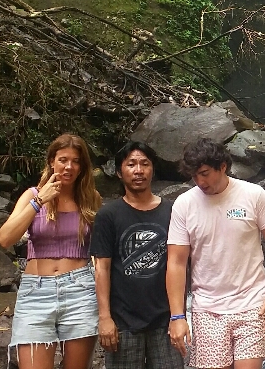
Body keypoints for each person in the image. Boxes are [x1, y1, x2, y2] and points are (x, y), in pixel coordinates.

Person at [166, 138, 265, 369]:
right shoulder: (184, 204)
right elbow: (176, 262)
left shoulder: (253, 195)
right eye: (194, 176)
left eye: (204, 173)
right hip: (207, 309)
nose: (200, 182)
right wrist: (177, 316)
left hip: (253, 304)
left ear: (222, 166)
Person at [0, 134, 101, 369]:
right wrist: (39, 202)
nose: (69, 167)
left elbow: (101, 249)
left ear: (82, 166)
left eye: (76, 161)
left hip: (81, 291)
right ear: (51, 162)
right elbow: (5, 238)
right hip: (36, 290)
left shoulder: (90, 199)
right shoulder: (32, 195)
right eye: (63, 159)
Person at [90, 141, 183, 369]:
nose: (138, 170)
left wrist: (179, 316)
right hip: (123, 321)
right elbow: (101, 268)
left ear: (153, 169)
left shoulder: (173, 212)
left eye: (144, 164)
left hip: (165, 320)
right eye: (131, 164)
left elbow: (182, 262)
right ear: (120, 171)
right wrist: (104, 318)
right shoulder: (108, 215)